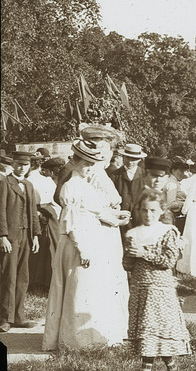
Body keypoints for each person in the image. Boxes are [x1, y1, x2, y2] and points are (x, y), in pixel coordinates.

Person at [42, 139, 130, 350]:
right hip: (78, 243)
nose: (90, 169)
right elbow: (72, 224)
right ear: (76, 163)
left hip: (91, 237)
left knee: (91, 287)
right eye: (87, 165)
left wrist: (117, 217)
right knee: (80, 287)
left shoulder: (85, 185)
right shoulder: (71, 187)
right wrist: (83, 249)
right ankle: (77, 340)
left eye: (93, 165)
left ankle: (91, 334)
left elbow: (97, 211)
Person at [123, 189, 191, 371]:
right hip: (140, 289)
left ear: (161, 211)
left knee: (156, 333)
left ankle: (159, 367)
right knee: (148, 336)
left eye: (153, 210)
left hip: (159, 290)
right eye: (144, 210)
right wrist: (130, 252)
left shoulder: (167, 231)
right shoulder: (134, 233)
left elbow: (168, 261)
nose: (148, 215)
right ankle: (171, 367)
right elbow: (127, 265)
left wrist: (144, 253)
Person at [0, 151, 41, 332]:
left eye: (25, 165)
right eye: (18, 164)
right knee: (8, 276)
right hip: (10, 237)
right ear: (13, 165)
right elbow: (0, 211)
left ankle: (18, 316)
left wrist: (36, 235)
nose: (22, 167)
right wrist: (2, 236)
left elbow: (33, 212)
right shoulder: (4, 184)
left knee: (23, 276)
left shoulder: (29, 185)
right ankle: (4, 318)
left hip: (27, 236)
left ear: (29, 166)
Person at [27, 154, 61, 289]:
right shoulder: (47, 180)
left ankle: (36, 278)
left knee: (36, 245)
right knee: (50, 245)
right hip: (50, 212)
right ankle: (47, 279)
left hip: (37, 211)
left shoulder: (28, 181)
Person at [110, 143, 147, 225]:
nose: (130, 162)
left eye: (134, 159)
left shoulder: (145, 176)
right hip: (120, 221)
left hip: (139, 221)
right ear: (123, 157)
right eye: (127, 158)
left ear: (139, 159)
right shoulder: (114, 175)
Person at [164, 156, 189, 234]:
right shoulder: (172, 184)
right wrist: (185, 203)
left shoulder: (175, 182)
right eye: (180, 171)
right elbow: (170, 204)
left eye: (184, 171)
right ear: (173, 170)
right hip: (171, 217)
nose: (182, 174)